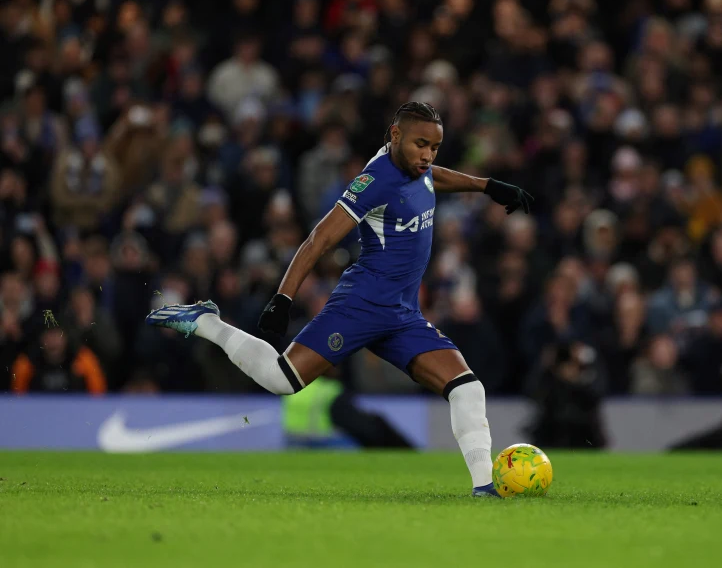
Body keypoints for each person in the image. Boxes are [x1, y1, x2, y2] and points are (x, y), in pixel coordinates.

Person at [146, 102, 533, 497]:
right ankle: (207, 322)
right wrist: (283, 297)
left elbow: (433, 178)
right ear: (396, 136)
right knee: (282, 379)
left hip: (403, 314)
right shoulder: (375, 179)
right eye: (421, 145)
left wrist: (486, 185)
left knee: (467, 388)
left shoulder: (417, 166)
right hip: (361, 306)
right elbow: (321, 238)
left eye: (435, 147)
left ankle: (485, 488)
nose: (428, 156)